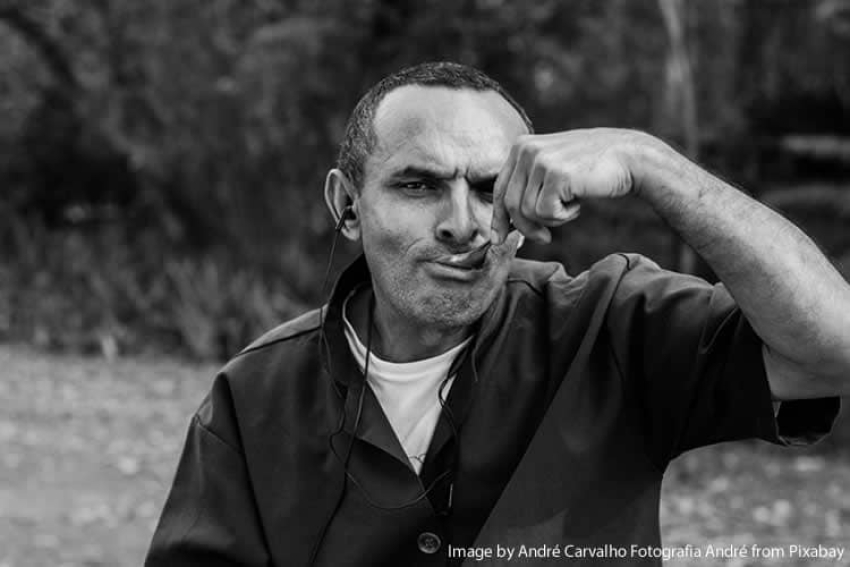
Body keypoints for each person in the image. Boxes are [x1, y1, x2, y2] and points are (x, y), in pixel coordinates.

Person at [145, 62, 848, 566]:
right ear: (348, 207)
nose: (463, 223)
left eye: (490, 188)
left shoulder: (610, 325)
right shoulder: (254, 399)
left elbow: (833, 348)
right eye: (418, 185)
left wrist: (650, 162)